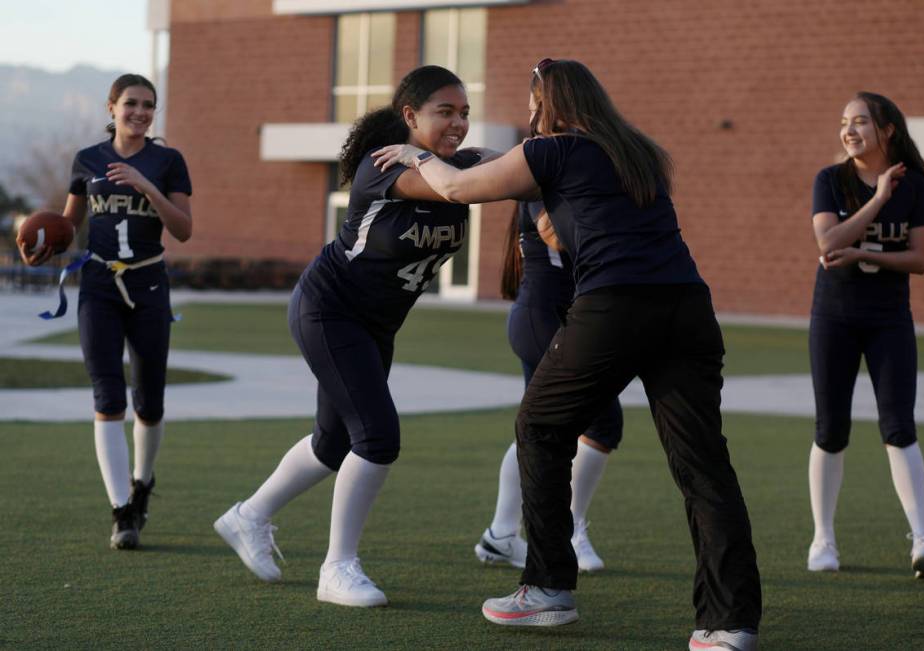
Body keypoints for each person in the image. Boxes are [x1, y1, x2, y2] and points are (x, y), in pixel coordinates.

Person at [374, 58, 762, 651]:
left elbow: (456, 188)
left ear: (546, 103)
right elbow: (589, 224)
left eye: (533, 103)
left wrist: (414, 155)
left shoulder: (551, 149)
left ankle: (549, 588)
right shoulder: (641, 151)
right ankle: (729, 625)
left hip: (615, 308)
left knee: (539, 424)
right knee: (703, 466)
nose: (529, 114)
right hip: (688, 307)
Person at [214, 66, 486, 607]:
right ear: (409, 117)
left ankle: (248, 516)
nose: (458, 123)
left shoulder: (456, 163)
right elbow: (450, 187)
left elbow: (507, 170)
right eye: (444, 112)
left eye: (464, 113)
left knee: (333, 443)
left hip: (376, 324)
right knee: (378, 437)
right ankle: (336, 568)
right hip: (330, 310)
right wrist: (424, 158)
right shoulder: (382, 166)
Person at [19, 73, 193, 550]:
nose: (140, 112)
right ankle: (121, 511)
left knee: (150, 402)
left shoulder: (168, 161)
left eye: (148, 105)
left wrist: (146, 186)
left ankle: (143, 482)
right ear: (111, 107)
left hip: (149, 282)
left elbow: (182, 230)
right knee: (107, 397)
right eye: (131, 103)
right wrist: (42, 247)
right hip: (98, 283)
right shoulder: (89, 159)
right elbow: (68, 225)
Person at [807, 91, 924, 579]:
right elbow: (827, 241)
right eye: (844, 122)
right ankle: (823, 540)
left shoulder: (916, 185)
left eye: (861, 121)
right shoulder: (830, 180)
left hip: (889, 320)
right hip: (834, 318)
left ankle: (923, 541)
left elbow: (920, 260)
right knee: (830, 429)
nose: (849, 130)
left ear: (886, 130)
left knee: (899, 427)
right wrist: (878, 200)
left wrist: (872, 253)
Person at [475, 200, 623, 573]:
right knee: (602, 424)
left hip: (554, 316)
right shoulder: (547, 174)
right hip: (544, 318)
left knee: (540, 428)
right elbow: (555, 235)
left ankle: (501, 534)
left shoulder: (557, 170)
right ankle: (569, 531)